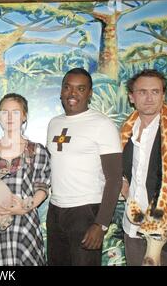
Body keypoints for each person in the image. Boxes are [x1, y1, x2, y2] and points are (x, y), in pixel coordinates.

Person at [46, 68, 122, 266]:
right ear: (61, 91)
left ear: (90, 93)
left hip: (85, 211)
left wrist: (101, 223)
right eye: (67, 87)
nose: (73, 93)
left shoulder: (102, 124)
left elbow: (114, 179)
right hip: (55, 210)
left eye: (80, 89)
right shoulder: (54, 124)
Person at [0, 93, 51, 266]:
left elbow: (42, 187)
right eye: (4, 112)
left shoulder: (37, 151)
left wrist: (25, 207)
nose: (9, 117)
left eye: (15, 112)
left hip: (24, 226)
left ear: (24, 116)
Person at [120, 69, 167, 266]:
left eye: (155, 91)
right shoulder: (124, 133)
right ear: (131, 97)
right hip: (133, 229)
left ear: (163, 95)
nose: (149, 98)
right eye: (142, 92)